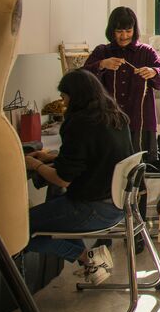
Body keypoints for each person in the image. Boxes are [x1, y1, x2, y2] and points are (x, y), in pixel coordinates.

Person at [24, 69, 134, 285]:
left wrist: (35, 164)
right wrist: (50, 158)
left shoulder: (80, 124)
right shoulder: (116, 118)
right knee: (47, 214)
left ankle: (85, 257)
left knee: (17, 230)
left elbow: (63, 180)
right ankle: (90, 259)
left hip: (92, 209)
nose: (63, 104)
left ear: (76, 96)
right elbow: (92, 159)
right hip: (118, 206)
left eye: (64, 98)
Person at [83, 7, 160, 158]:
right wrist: (102, 65)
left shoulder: (146, 52)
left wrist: (154, 72)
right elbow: (82, 78)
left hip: (141, 124)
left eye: (128, 31)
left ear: (134, 30)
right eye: (119, 31)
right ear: (112, 30)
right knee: (112, 169)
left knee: (141, 169)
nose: (124, 36)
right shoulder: (102, 52)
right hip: (109, 124)